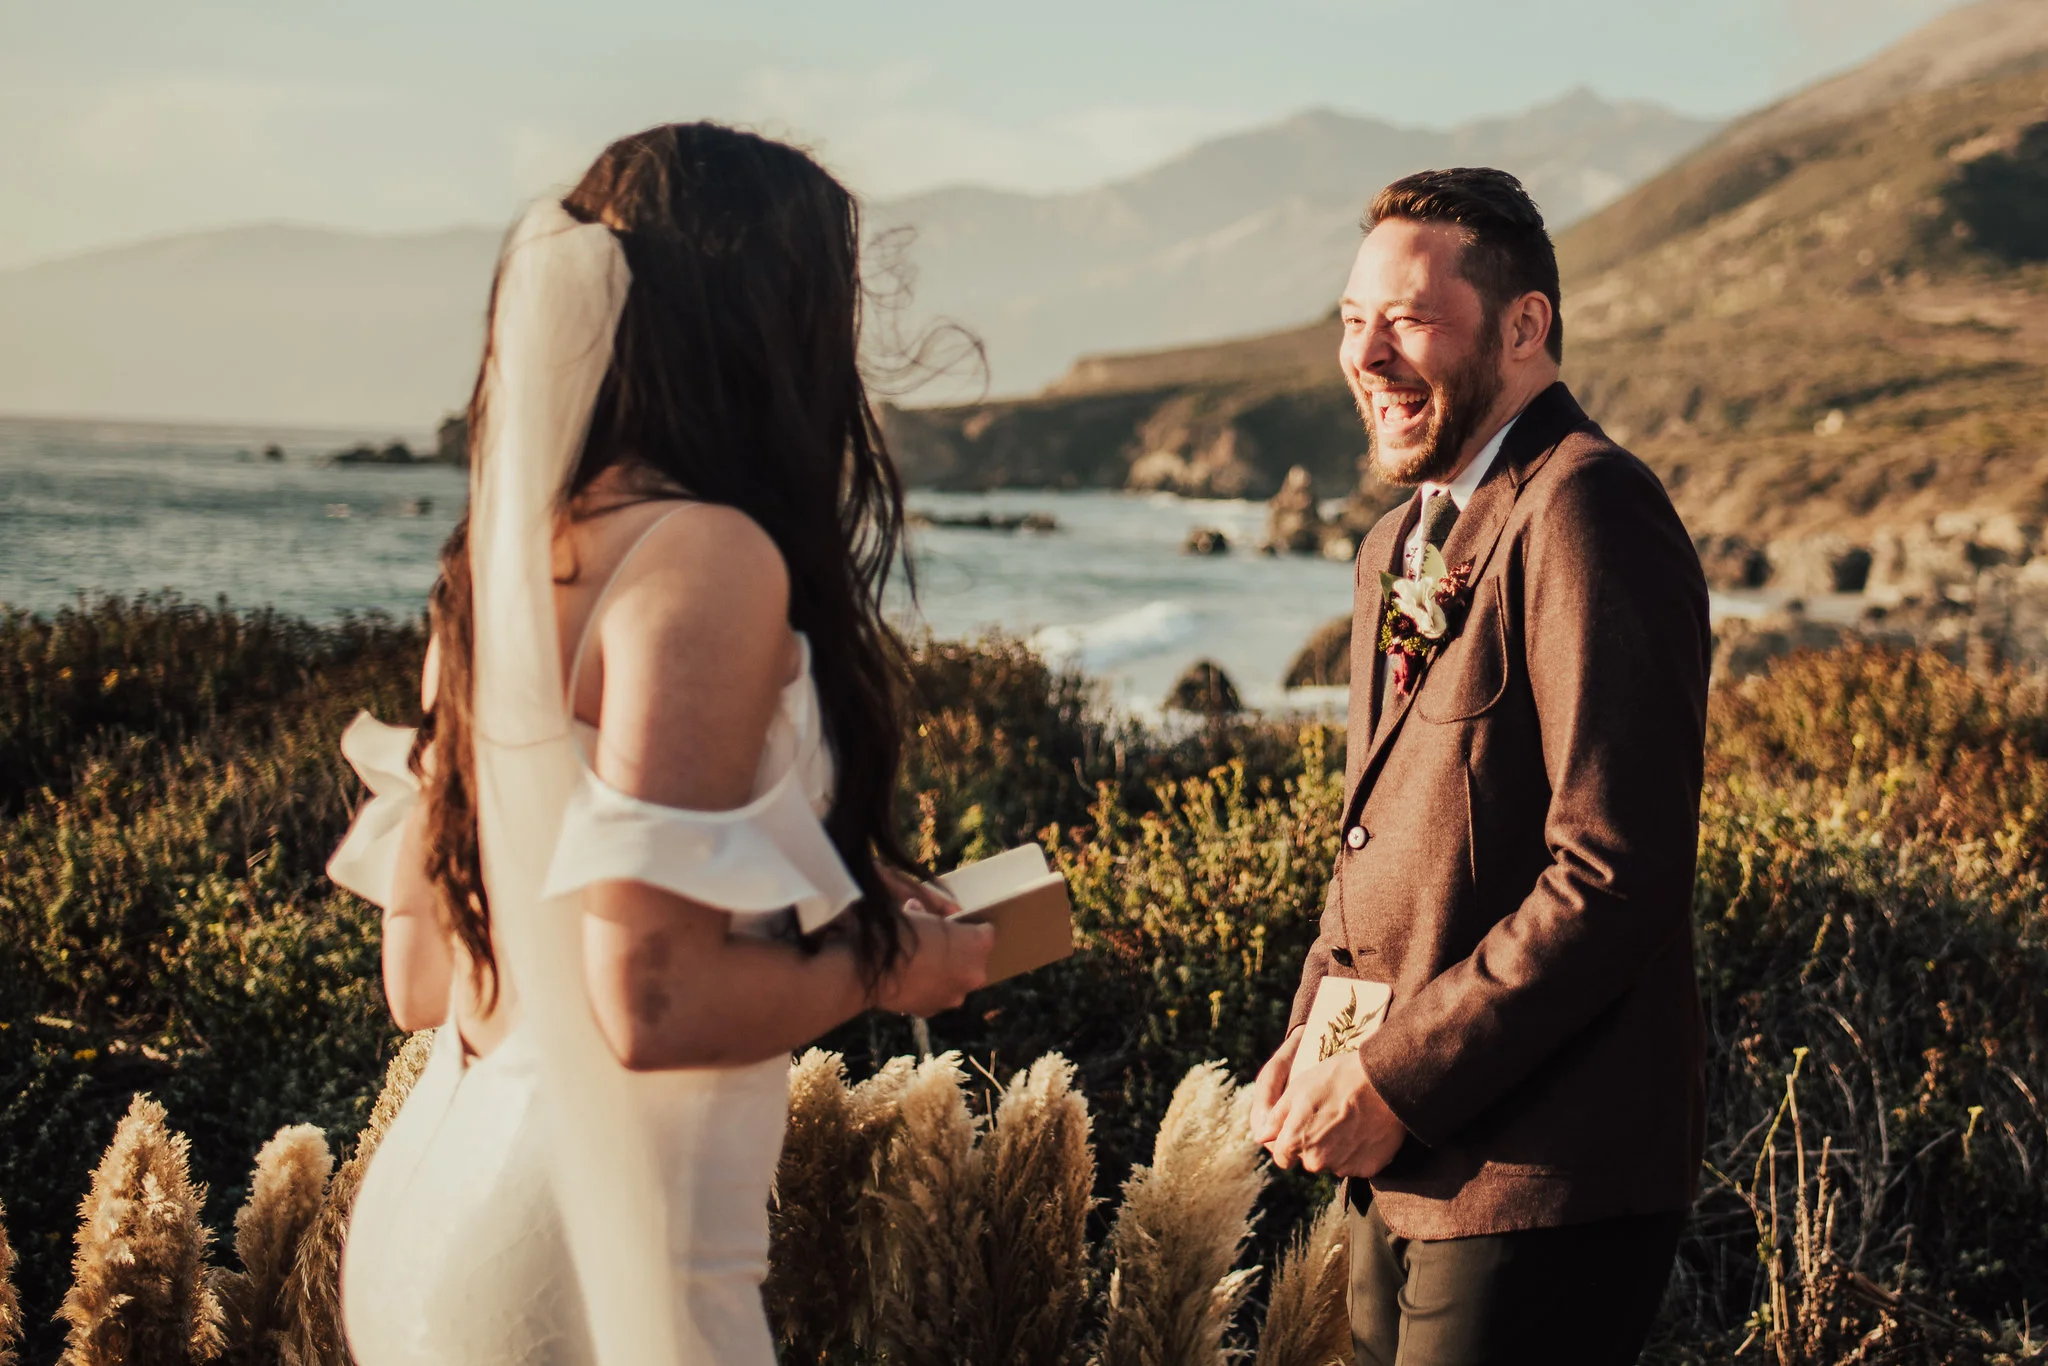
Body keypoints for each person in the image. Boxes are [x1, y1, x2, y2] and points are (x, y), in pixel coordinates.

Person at [324, 123, 993, 1366]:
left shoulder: (502, 565)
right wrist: (892, 965)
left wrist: (822, 900)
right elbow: (648, 998)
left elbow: (423, 982)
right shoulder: (708, 557)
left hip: (436, 1210)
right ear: (761, 325)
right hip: (599, 1250)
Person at [1248, 168, 1710, 1366]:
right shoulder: (1393, 544)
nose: (1368, 354)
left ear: (1522, 325)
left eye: (1407, 317)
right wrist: (1315, 1039)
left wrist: (1393, 1078)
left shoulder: (1587, 509)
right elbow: (1384, 836)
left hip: (1538, 1179)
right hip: (1405, 1170)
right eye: (1352, 321)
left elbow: (1615, 873)